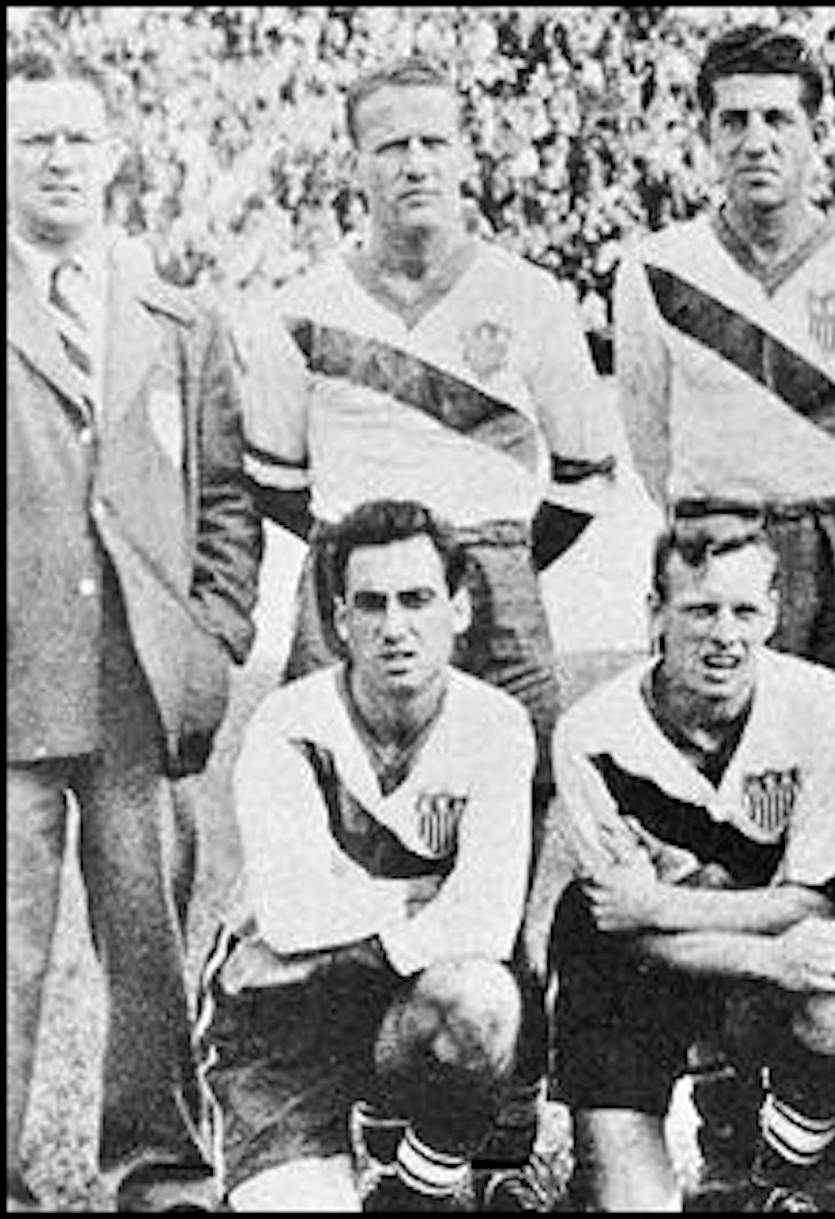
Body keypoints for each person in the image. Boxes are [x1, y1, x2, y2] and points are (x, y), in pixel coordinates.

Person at [239, 55, 620, 1206]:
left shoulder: (531, 297)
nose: (414, 163)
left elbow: (591, 468)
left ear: (468, 156)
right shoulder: (301, 307)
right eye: (390, 143)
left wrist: (476, 576)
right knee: (349, 832)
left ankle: (496, 1122)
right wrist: (382, 574)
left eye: (433, 142)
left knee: (510, 850)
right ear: (353, 162)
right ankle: (354, 1081)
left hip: (490, 582)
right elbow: (274, 478)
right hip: (356, 578)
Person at [7, 50, 262, 1214]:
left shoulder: (177, 316)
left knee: (151, 944)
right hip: (12, 682)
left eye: (75, 138)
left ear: (114, 157)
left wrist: (212, 636)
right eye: (32, 140)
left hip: (141, 688)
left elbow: (228, 503)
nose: (57, 158)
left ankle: (159, 1169)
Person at [545, 520, 835, 1212]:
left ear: (774, 613)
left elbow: (813, 900)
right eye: (699, 609)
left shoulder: (821, 702)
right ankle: (626, 1148)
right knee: (634, 1206)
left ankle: (788, 1159)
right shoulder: (591, 731)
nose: (725, 634)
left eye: (744, 610)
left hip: (738, 948)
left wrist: (662, 904)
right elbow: (615, 923)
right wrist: (763, 954)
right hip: (640, 970)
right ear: (655, 612)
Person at [613, 23, 835, 757]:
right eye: (734, 120)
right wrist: (711, 523)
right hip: (717, 537)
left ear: (814, 133)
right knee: (715, 751)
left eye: (777, 119)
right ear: (706, 134)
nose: (755, 140)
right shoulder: (657, 269)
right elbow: (645, 428)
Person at [197, 500, 532, 1211]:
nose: (395, 626)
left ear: (460, 609)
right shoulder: (289, 723)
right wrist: (429, 901)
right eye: (371, 604)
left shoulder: (496, 726)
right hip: (282, 1024)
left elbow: (488, 924)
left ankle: (417, 1190)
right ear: (341, 619)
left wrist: (342, 929)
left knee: (481, 997)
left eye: (417, 599)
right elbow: (290, 916)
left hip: (399, 1011)